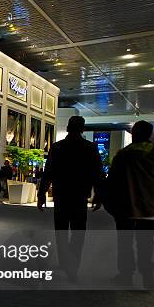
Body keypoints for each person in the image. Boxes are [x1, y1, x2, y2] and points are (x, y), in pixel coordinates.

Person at [105, 120, 154, 289]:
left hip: (125, 206)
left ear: (134, 134)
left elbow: (112, 182)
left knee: (125, 242)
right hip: (151, 207)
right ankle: (147, 276)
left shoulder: (122, 155)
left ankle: (126, 275)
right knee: (146, 243)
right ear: (149, 135)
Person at [38, 116, 103, 281]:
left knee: (61, 231)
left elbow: (48, 173)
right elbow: (97, 174)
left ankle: (64, 261)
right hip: (80, 196)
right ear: (82, 129)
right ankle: (72, 267)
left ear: (67, 127)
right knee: (78, 232)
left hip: (61, 195)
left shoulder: (57, 147)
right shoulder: (90, 147)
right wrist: (99, 195)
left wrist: (41, 194)